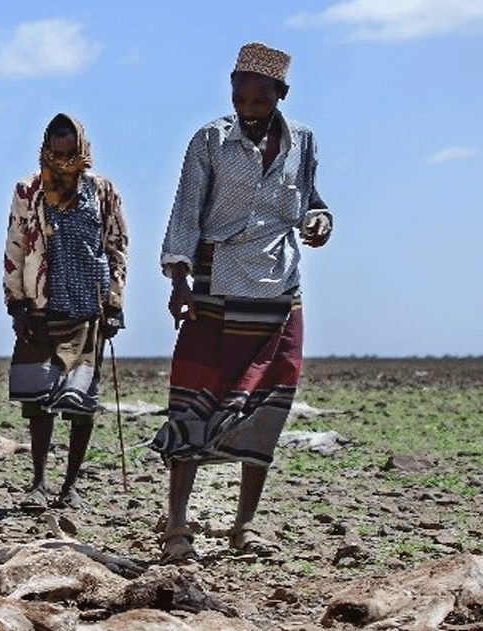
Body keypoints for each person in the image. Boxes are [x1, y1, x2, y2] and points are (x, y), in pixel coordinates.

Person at [154, 42, 332, 563]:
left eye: (257, 99)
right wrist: (179, 278)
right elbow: (186, 210)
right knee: (193, 399)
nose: (246, 107)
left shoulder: (304, 141)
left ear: (280, 95)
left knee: (271, 400)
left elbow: (310, 200)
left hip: (279, 287)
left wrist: (320, 221)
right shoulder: (210, 140)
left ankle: (244, 525)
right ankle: (178, 528)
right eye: (239, 97)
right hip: (217, 282)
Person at [3, 113, 129, 511]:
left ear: (82, 150)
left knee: (81, 402)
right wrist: (16, 302)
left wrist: (114, 303)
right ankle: (38, 484)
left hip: (87, 308)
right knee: (39, 402)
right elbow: (15, 246)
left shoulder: (101, 191)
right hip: (41, 305)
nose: (62, 161)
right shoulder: (30, 190)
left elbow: (116, 246)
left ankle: (69, 486)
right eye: (55, 154)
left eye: (70, 153)